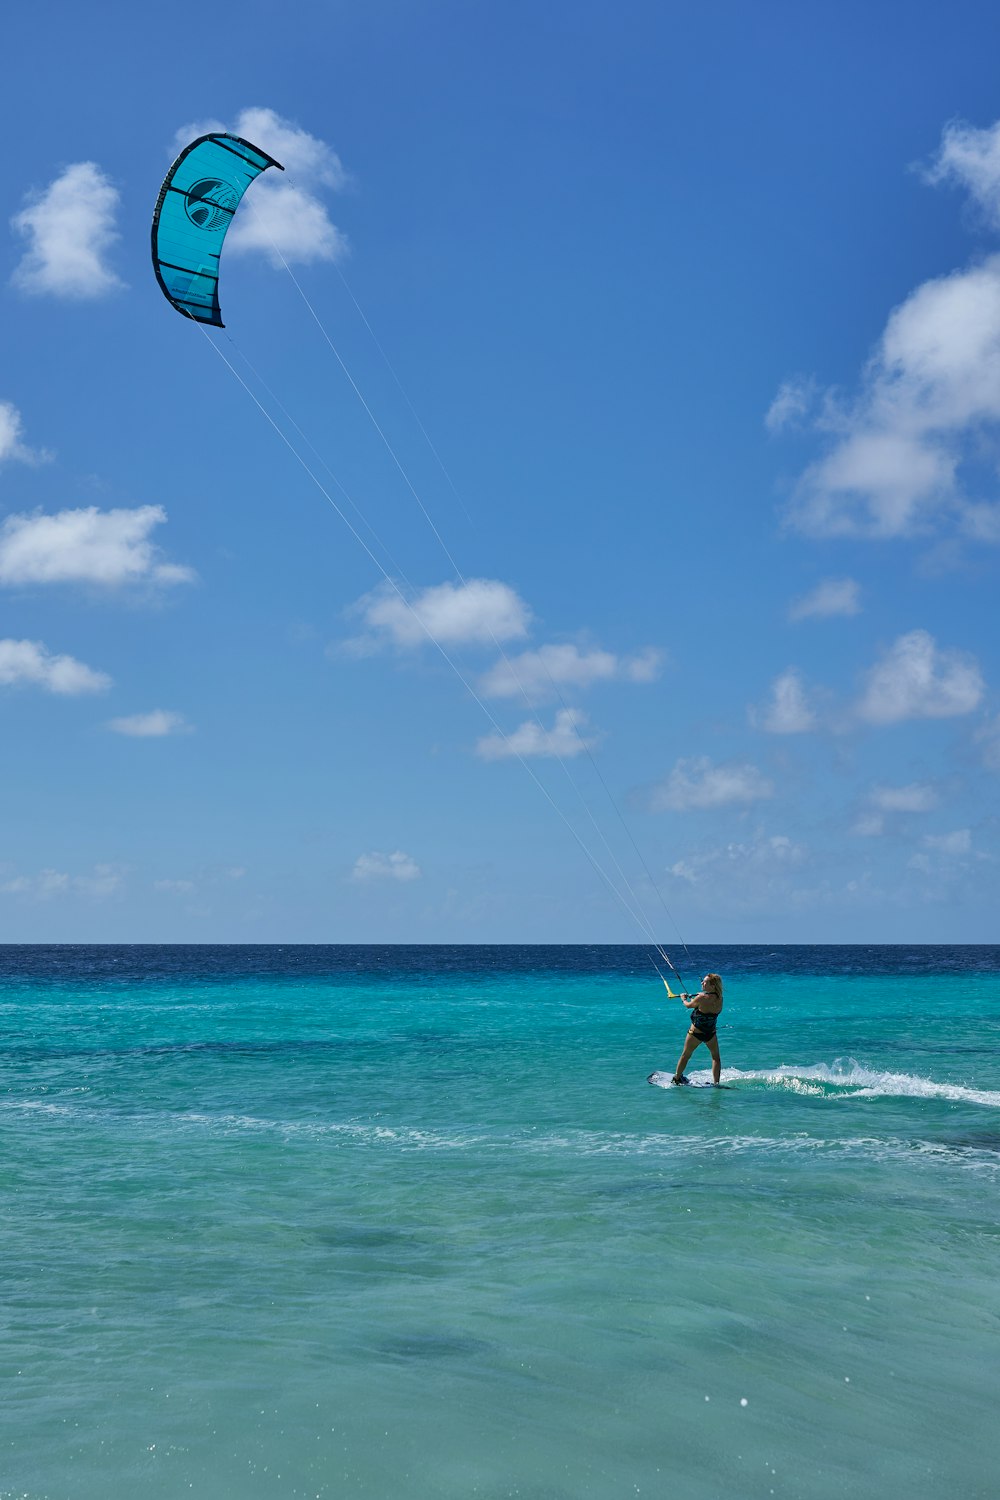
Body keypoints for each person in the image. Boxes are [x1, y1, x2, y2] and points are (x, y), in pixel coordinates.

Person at [671, 973, 724, 1085]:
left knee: (685, 1055)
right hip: (710, 1034)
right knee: (716, 1058)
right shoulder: (720, 998)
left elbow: (688, 1005)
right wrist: (702, 996)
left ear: (713, 986)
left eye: (705, 982)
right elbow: (707, 1001)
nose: (702, 983)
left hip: (695, 1033)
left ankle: (677, 1078)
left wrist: (683, 998)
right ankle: (716, 1083)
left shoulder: (701, 998)